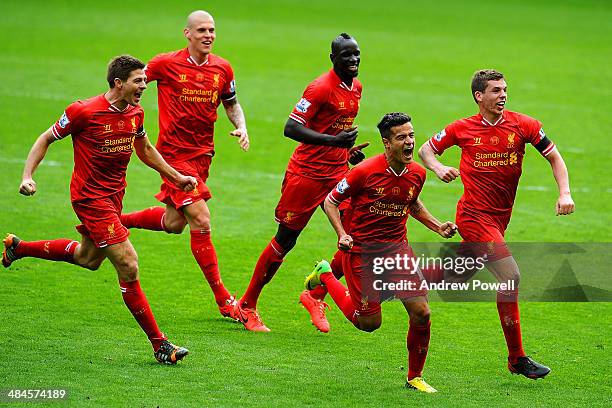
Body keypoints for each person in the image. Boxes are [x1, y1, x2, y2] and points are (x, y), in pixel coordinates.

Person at [2, 55, 197, 364]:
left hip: (114, 197)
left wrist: (176, 177)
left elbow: (144, 149)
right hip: (90, 199)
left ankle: (18, 248)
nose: (144, 85)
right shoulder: (83, 111)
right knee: (129, 264)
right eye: (138, 80)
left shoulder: (136, 113)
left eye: (145, 80)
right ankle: (160, 344)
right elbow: (46, 138)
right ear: (118, 83)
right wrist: (28, 176)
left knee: (88, 258)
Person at [418, 69, 575, 379]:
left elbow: (555, 157)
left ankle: (391, 277)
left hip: (499, 219)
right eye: (495, 91)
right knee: (510, 275)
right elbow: (426, 149)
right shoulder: (462, 128)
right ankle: (517, 358)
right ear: (479, 96)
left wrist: (565, 192)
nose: (502, 95)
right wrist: (437, 168)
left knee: (450, 279)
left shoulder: (523, 125)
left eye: (504, 90)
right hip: (474, 217)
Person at [305, 112, 457, 392]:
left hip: (398, 250)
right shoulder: (363, 172)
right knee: (369, 324)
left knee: (422, 312)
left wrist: (437, 226)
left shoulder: (418, 174)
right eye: (402, 137)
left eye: (411, 135)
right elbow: (330, 201)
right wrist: (342, 234)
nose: (409, 142)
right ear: (387, 143)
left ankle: (415, 377)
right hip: (362, 254)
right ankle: (326, 274)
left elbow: (412, 204)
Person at [233, 33, 368, 332]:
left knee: (357, 233)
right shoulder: (320, 88)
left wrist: (347, 152)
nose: (354, 60)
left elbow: (333, 130)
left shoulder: (356, 87)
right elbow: (291, 127)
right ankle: (247, 305)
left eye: (357, 54)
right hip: (306, 175)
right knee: (286, 239)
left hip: (336, 172)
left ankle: (315, 293)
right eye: (347, 55)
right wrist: (334, 141)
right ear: (333, 58)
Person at [119, 11, 249, 318]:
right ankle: (224, 299)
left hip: (203, 156)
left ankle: (117, 222)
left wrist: (242, 126)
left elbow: (231, 103)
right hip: (174, 157)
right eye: (202, 30)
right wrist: (118, 110)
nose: (209, 35)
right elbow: (133, 83)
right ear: (187, 34)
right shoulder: (166, 64)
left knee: (175, 223)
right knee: (202, 220)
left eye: (212, 30)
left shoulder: (222, 68)